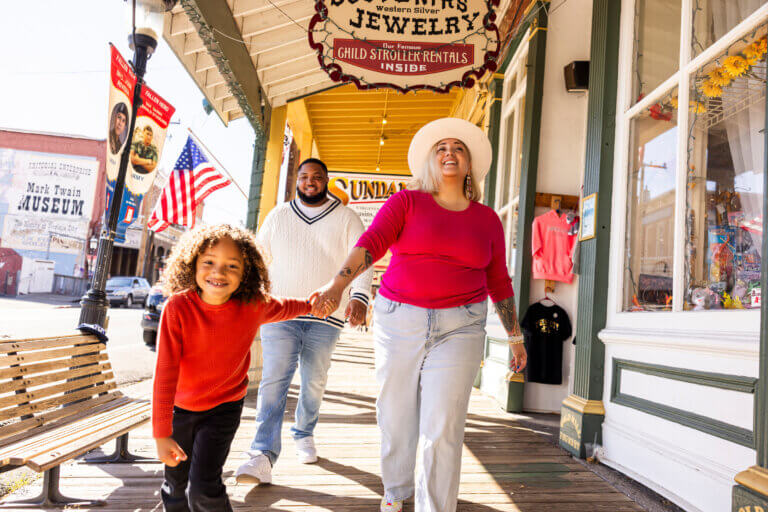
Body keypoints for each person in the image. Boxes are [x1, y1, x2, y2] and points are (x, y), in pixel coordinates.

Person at [312, 118, 528, 512]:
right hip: (400, 320)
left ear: (469, 165)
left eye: (458, 148)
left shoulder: (486, 220)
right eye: (441, 148)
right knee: (395, 417)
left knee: (443, 425)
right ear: (432, 160)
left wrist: (515, 336)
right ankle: (395, 494)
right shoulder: (406, 203)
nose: (450, 153)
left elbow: (499, 280)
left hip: (461, 326)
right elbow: (371, 243)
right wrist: (338, 285)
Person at [152, 224, 316, 512]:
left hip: (223, 409)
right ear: (193, 264)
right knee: (176, 487)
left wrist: (313, 305)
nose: (219, 273)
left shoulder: (252, 305)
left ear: (246, 274)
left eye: (232, 266)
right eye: (209, 263)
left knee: (203, 488)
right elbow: (165, 375)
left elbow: (287, 306)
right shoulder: (178, 308)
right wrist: (161, 433)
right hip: (180, 409)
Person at [235, 158, 373, 484]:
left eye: (316, 177)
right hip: (280, 312)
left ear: (326, 180)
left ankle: (304, 432)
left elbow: (365, 256)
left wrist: (359, 297)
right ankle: (261, 455)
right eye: (304, 176)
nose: (310, 182)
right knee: (274, 382)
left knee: (314, 380)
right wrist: (253, 297)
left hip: (326, 316)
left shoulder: (346, 217)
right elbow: (259, 259)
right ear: (297, 180)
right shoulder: (278, 215)